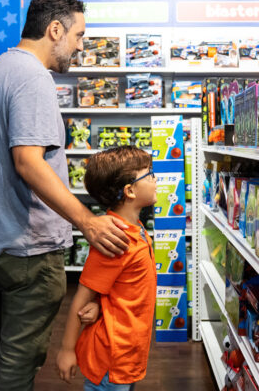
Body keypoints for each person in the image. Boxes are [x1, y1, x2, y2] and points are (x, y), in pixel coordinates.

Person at [0, 0, 131, 390]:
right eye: (79, 35)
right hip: (27, 248)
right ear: (54, 30)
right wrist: (88, 221)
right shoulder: (34, 78)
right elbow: (28, 161)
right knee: (19, 361)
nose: (82, 47)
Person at [56, 146, 158, 390]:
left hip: (130, 350)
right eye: (150, 174)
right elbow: (80, 300)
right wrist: (67, 350)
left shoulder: (137, 229)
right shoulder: (115, 240)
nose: (156, 179)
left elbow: (121, 287)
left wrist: (101, 306)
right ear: (130, 191)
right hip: (112, 355)